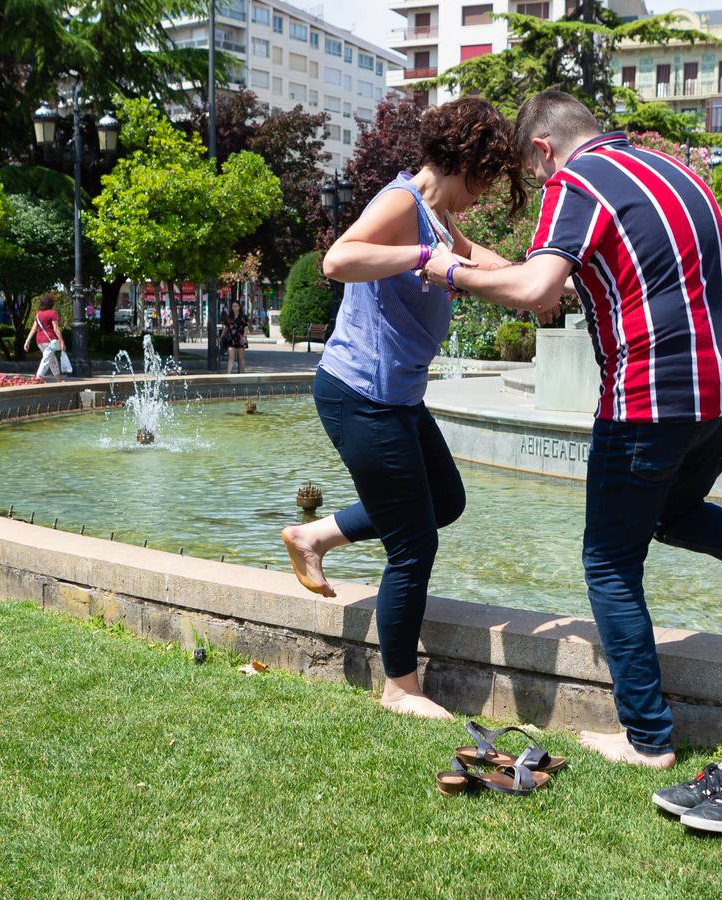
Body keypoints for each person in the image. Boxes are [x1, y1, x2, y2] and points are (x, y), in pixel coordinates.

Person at [424, 90, 722, 767]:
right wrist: (469, 253)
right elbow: (557, 283)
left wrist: (446, 270)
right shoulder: (674, 170)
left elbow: (537, 296)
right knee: (671, 511)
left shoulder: (575, 180)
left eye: (533, 173)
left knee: (609, 562)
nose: (538, 186)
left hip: (651, 396)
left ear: (541, 149)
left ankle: (647, 737)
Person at [280, 97, 557, 720]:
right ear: (464, 162)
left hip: (395, 398)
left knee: (446, 501)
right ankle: (400, 687)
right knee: (414, 544)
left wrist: (539, 278)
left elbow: (476, 256)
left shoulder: (436, 215)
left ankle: (314, 535)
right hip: (360, 395)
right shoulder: (404, 202)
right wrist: (420, 259)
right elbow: (338, 259)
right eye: (484, 179)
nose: (482, 194)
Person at [25, 292, 69, 380]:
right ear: (51, 303)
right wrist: (62, 342)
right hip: (50, 341)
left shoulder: (38, 314)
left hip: (40, 342)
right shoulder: (53, 313)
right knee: (46, 359)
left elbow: (34, 328)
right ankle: (38, 377)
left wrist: (27, 341)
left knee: (52, 359)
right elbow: (56, 328)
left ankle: (58, 379)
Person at [221, 298, 251, 373]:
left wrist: (244, 337)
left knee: (241, 357)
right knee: (231, 357)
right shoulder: (229, 317)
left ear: (239, 307)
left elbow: (246, 327)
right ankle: (228, 374)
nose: (234, 308)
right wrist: (221, 336)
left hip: (241, 338)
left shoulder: (243, 317)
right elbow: (226, 328)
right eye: (233, 306)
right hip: (231, 338)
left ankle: (242, 374)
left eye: (236, 306)